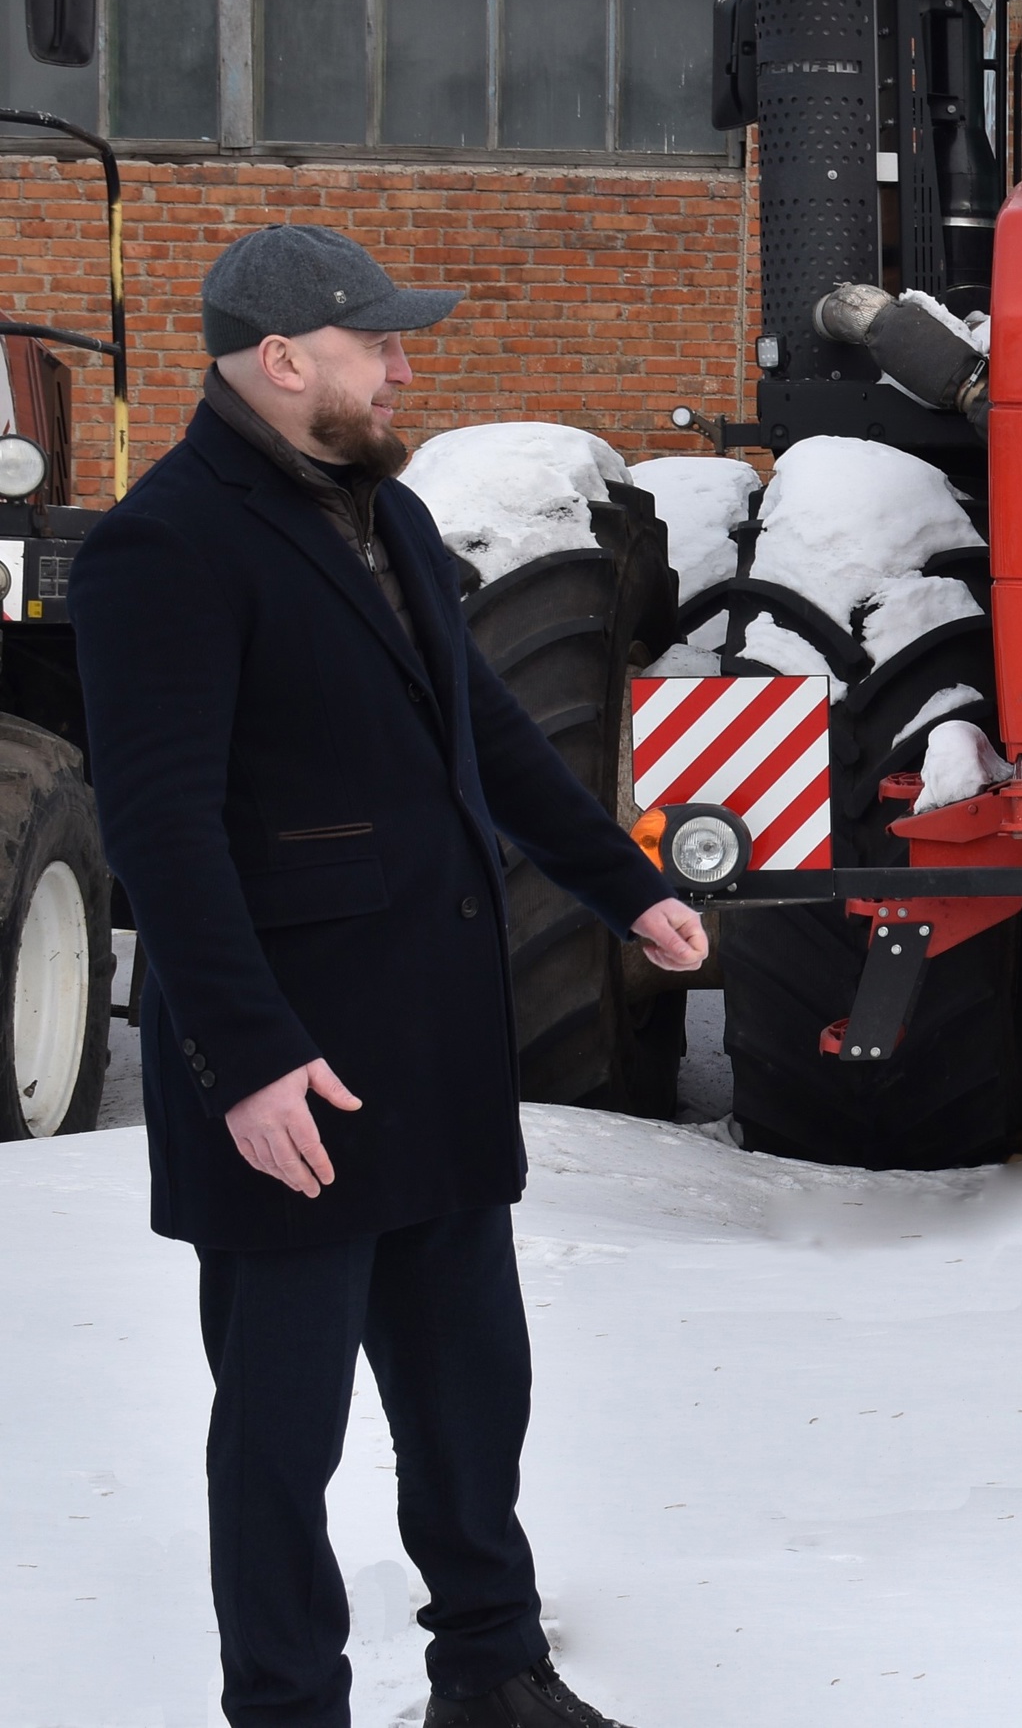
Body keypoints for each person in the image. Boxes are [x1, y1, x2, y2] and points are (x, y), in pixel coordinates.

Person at [70, 225, 709, 1728]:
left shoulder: (390, 517)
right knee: (284, 1432)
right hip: (293, 1070)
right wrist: (249, 1055)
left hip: (431, 1040)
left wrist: (627, 889)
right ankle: (288, 1706)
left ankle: (489, 1668)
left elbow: (486, 732)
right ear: (284, 360)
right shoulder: (164, 545)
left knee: (472, 1388)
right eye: (382, 345)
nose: (409, 367)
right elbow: (158, 830)